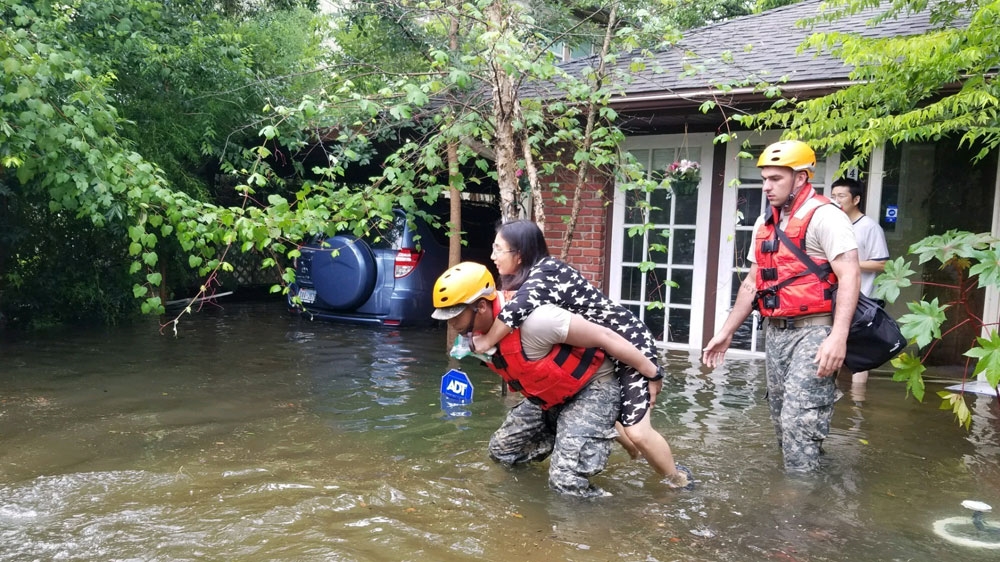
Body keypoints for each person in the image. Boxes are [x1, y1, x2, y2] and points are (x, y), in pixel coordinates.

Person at [469, 220, 692, 489]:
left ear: (520, 253)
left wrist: (654, 373)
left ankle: (678, 480)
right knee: (618, 415)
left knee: (638, 431)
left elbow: (513, 313)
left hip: (628, 341)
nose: (492, 256)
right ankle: (630, 449)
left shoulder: (546, 272)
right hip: (606, 346)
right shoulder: (530, 278)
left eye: (498, 249)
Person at [432, 261, 658, 497]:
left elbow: (606, 335)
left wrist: (653, 372)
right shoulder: (476, 338)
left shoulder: (538, 320)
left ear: (480, 306)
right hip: (551, 398)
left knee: (565, 482)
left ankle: (616, 514)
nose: (451, 325)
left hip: (593, 387)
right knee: (502, 452)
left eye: (455, 317)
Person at [701, 140, 861, 472]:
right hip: (775, 333)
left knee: (800, 422)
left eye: (775, 178)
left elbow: (850, 277)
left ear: (801, 178)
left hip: (815, 331)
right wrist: (726, 333)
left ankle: (801, 507)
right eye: (764, 178)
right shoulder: (765, 225)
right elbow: (752, 282)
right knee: (780, 421)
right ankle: (803, 492)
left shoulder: (826, 217)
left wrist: (838, 337)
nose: (766, 186)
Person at [830, 177, 890, 387]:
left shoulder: (869, 227)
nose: (836, 200)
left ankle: (858, 405)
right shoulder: (834, 225)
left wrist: (848, 264)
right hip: (835, 297)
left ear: (856, 199)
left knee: (859, 352)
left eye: (841, 196)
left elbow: (881, 264)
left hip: (863, 298)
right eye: (833, 196)